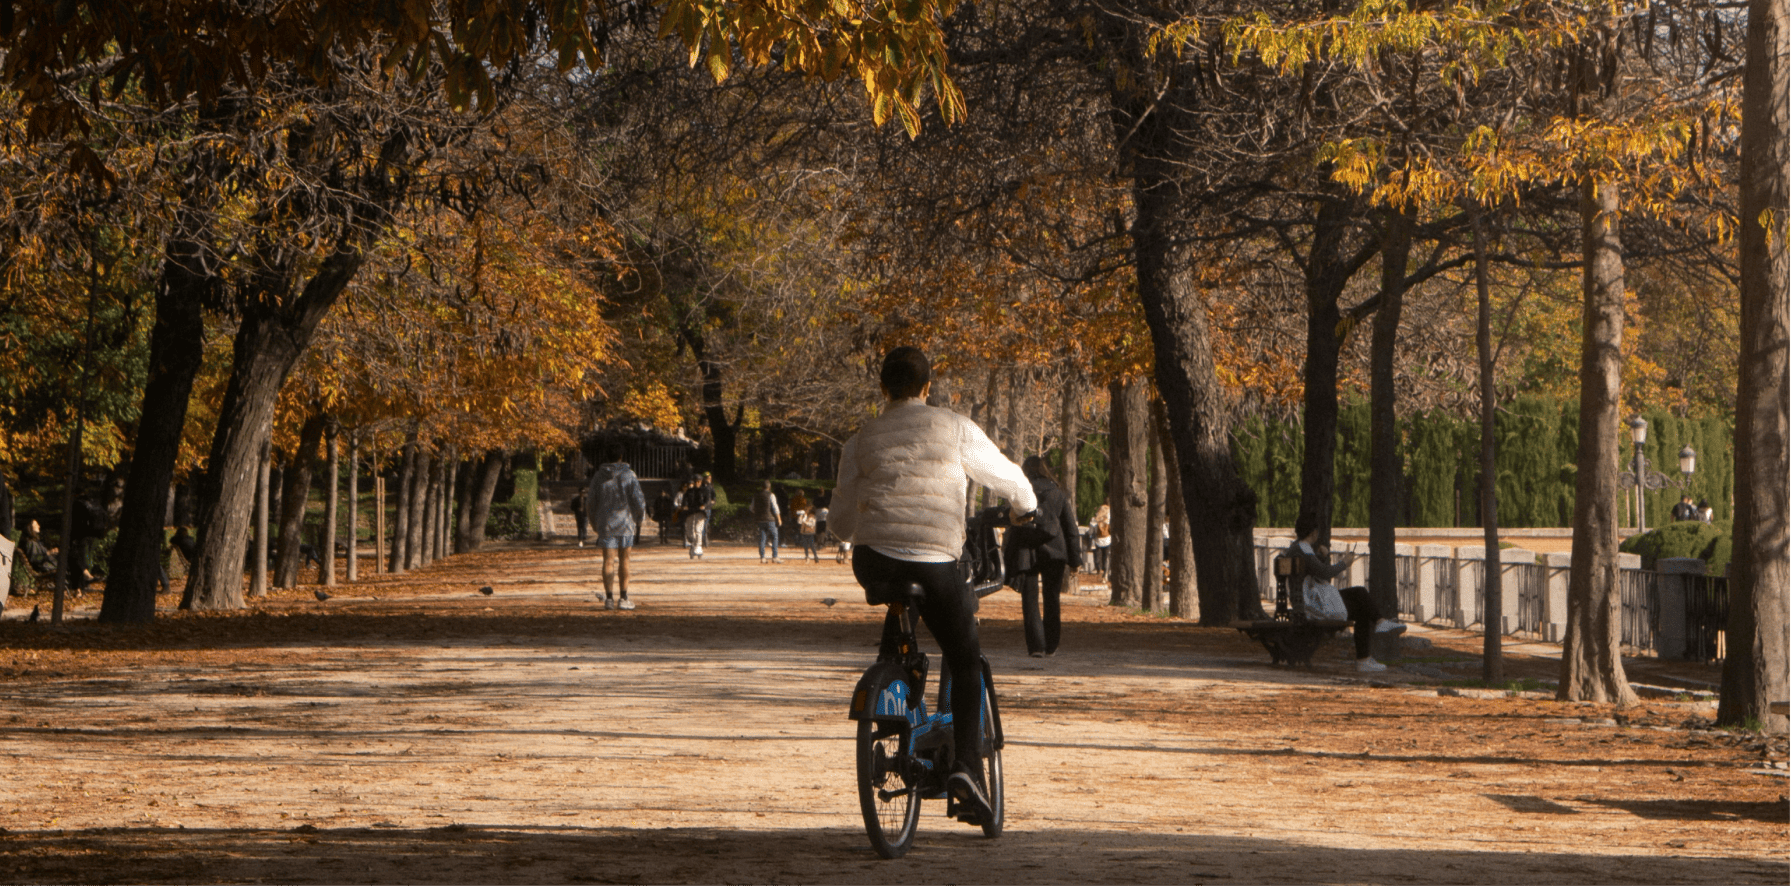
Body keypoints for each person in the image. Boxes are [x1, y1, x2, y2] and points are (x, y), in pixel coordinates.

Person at [830, 346, 1038, 825]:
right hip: (935, 561)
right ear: (928, 386)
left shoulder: (860, 440)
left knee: (898, 610)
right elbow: (1006, 475)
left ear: (882, 388)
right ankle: (966, 768)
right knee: (964, 659)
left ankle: (893, 679)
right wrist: (1026, 508)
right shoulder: (953, 427)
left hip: (874, 562)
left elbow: (840, 523)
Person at [1286, 524, 1403, 672]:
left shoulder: (1296, 548)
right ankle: (1364, 658)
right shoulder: (1304, 549)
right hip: (1312, 604)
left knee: (1359, 593)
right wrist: (1344, 563)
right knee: (1362, 608)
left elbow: (1311, 570)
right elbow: (1325, 573)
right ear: (1314, 532)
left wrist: (1322, 556)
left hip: (1309, 599)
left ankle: (1380, 622)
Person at [1003, 456, 1081, 658]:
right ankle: (1052, 645)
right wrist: (1075, 560)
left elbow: (1010, 520)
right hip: (1055, 550)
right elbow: (1070, 527)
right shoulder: (1057, 492)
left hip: (1027, 550)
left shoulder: (1022, 490)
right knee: (1052, 598)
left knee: (1029, 600)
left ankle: (1036, 646)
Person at [586, 444, 647, 610]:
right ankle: (624, 597)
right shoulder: (629, 475)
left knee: (608, 560)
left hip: (605, 523)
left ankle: (609, 599)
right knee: (625, 560)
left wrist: (593, 522)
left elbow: (590, 501)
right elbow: (638, 499)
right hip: (625, 523)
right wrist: (640, 517)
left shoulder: (599, 476)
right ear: (621, 456)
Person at [751, 480, 782, 563]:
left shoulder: (756, 495)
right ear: (769, 487)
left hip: (760, 519)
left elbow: (752, 508)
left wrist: (758, 514)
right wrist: (779, 518)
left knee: (762, 538)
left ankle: (762, 557)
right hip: (770, 519)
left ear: (762, 487)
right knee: (774, 536)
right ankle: (775, 556)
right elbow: (775, 508)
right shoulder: (771, 495)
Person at [1090, 504, 1112, 577]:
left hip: (1097, 541)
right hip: (1108, 540)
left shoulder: (1094, 520)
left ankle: (1099, 570)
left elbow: (1091, 531)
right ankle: (1106, 572)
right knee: (1107, 557)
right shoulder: (1109, 520)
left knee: (1097, 557)